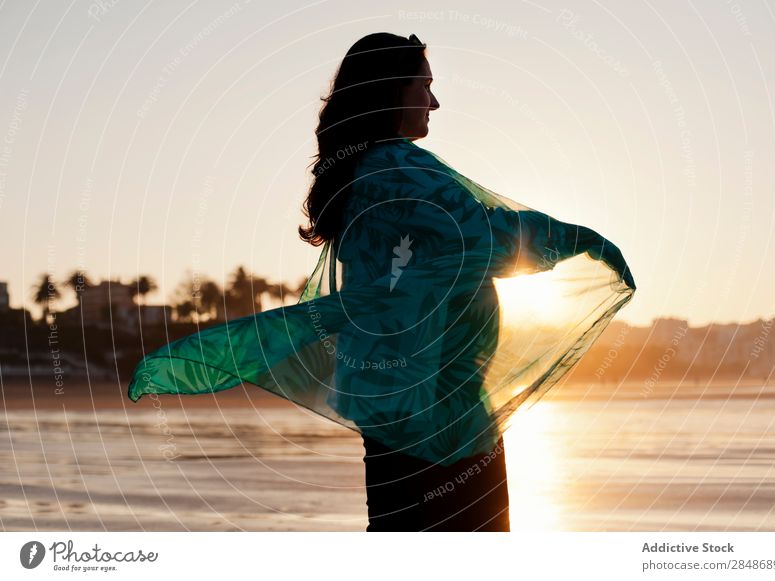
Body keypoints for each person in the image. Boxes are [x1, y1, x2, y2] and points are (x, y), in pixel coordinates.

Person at [128, 32, 635, 533]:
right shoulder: (395, 172)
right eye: (425, 86)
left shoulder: (365, 173)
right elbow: (487, 237)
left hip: (398, 403)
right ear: (394, 89)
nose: (434, 102)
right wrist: (587, 242)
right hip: (438, 411)